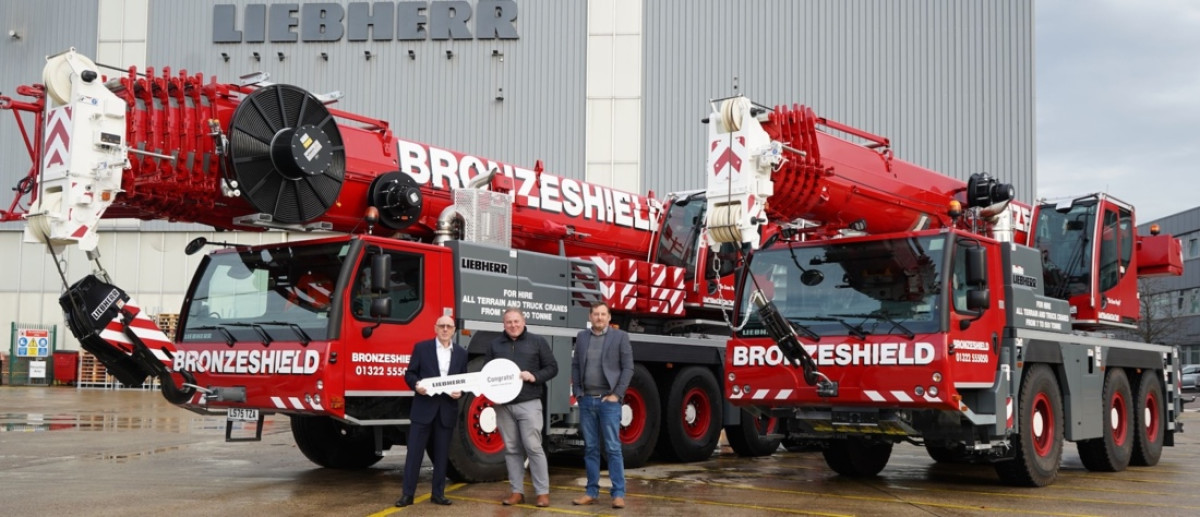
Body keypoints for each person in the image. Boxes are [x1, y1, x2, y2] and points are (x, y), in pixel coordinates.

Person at [486, 307, 559, 508]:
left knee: (533, 447)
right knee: (511, 449)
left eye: (516, 321)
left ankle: (542, 493)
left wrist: (534, 376)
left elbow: (552, 367)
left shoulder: (537, 342)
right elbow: (487, 374)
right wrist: (492, 394)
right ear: (504, 324)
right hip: (503, 406)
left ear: (524, 322)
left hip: (529, 403)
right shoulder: (494, 345)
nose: (513, 325)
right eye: (509, 322)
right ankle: (517, 492)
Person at [395, 315, 468, 507]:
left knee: (441, 455)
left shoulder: (461, 353)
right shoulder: (422, 348)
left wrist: (460, 392)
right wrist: (416, 385)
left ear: (454, 330)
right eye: (441, 326)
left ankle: (438, 494)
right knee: (414, 455)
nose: (445, 329)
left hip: (446, 411)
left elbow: (464, 380)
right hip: (423, 410)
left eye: (449, 326)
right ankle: (407, 495)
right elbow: (410, 374)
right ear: (435, 328)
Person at [570, 302, 634, 509]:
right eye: (596, 314)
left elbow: (628, 368)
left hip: (609, 402)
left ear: (609, 317)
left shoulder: (620, 337)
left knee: (613, 448)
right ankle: (591, 492)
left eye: (603, 314)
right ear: (590, 316)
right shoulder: (582, 337)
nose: (599, 317)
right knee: (590, 448)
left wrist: (617, 394)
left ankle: (618, 494)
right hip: (587, 400)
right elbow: (576, 366)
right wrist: (578, 393)